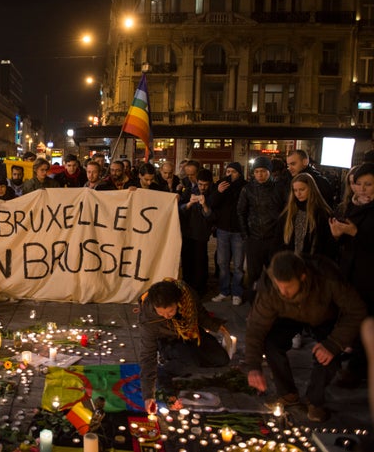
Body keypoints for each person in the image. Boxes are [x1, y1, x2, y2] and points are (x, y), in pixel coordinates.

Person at [245, 251, 366, 422]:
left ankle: (315, 400)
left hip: (324, 316)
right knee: (271, 342)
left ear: (302, 277)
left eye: (288, 286)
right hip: (287, 316)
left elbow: (356, 311)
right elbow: (256, 327)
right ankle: (288, 394)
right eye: (280, 286)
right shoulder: (270, 288)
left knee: (329, 355)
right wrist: (253, 366)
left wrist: (333, 343)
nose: (283, 292)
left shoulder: (327, 278)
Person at [139, 279, 231, 414]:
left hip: (191, 332)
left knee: (221, 359)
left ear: (178, 302)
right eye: (161, 313)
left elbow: (200, 315)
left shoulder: (188, 296)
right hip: (169, 340)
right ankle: (164, 371)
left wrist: (217, 327)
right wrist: (148, 396)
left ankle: (188, 356)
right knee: (191, 363)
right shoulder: (148, 319)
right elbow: (147, 355)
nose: (166, 316)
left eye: (170, 311)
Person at [237, 156, 287, 298]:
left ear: (269, 171)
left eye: (263, 171)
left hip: (274, 239)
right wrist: (246, 236)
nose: (260, 174)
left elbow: (285, 212)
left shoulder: (279, 188)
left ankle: (274, 303)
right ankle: (253, 304)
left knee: (275, 273)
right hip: (254, 239)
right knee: (253, 275)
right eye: (257, 171)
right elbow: (241, 212)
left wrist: (281, 235)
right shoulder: (248, 189)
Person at [330, 162, 374, 313]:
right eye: (358, 183)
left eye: (368, 184)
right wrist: (338, 235)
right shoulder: (351, 206)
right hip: (349, 270)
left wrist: (356, 233)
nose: (361, 189)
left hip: (369, 275)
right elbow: (346, 240)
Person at [210, 162, 247, 305]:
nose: (230, 174)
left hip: (238, 231)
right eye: (228, 171)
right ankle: (224, 291)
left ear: (239, 173)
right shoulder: (221, 184)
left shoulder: (245, 186)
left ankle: (237, 292)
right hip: (223, 230)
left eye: (233, 171)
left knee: (238, 265)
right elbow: (212, 203)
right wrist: (218, 191)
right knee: (222, 262)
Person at [280, 173, 335, 259]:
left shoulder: (322, 213)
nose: (298, 194)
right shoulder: (290, 211)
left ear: (311, 189)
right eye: (295, 190)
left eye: (302, 189)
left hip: (313, 263)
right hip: (291, 262)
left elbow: (327, 244)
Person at [178, 169, 214, 297]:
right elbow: (180, 209)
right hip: (187, 231)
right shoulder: (189, 191)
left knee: (200, 261)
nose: (202, 187)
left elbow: (210, 217)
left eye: (205, 185)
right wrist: (189, 203)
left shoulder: (213, 194)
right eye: (200, 184)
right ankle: (187, 287)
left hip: (201, 234)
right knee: (187, 260)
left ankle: (200, 288)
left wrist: (204, 205)